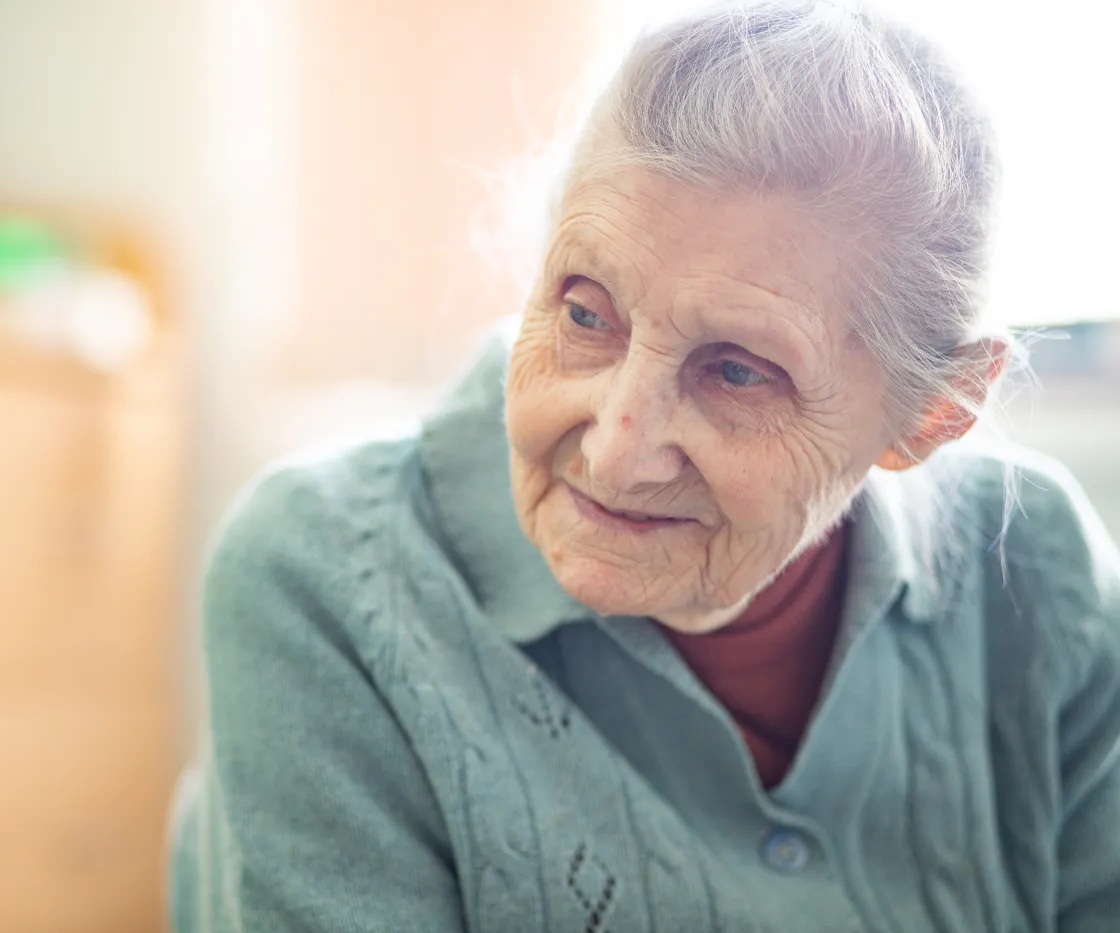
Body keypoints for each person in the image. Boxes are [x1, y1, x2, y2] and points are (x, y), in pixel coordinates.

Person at [170, 2, 1120, 930]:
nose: (616, 451)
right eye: (586, 313)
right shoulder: (325, 579)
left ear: (933, 410)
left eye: (739, 371)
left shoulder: (1042, 571)